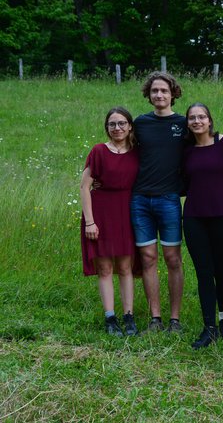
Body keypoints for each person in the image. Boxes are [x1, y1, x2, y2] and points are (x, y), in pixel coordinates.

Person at [182, 103, 223, 349]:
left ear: (210, 120)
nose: (197, 121)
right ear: (187, 123)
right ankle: (209, 327)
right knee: (204, 272)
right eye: (192, 118)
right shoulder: (185, 150)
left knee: (222, 269)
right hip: (195, 217)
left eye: (202, 117)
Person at [130, 72, 187, 333]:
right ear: (148, 94)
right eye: (154, 91)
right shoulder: (140, 123)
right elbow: (121, 150)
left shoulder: (184, 124)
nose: (159, 95)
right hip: (140, 199)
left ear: (173, 93)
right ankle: (156, 318)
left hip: (169, 199)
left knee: (173, 258)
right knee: (148, 258)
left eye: (164, 90)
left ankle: (174, 319)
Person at [80, 107, 140, 336]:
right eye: (112, 124)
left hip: (126, 211)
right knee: (104, 267)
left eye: (122, 123)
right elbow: (85, 186)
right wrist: (89, 221)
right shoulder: (98, 151)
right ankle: (110, 317)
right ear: (107, 128)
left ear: (130, 126)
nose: (117, 128)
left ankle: (129, 316)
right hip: (101, 213)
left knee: (125, 266)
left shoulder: (137, 152)